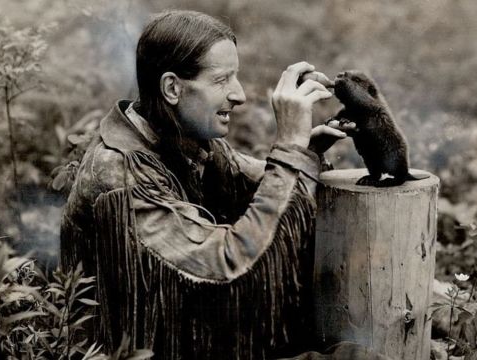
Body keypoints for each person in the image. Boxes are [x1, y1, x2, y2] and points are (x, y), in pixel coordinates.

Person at [61, 9, 385, 360]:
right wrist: (289, 150)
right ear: (172, 87)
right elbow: (227, 267)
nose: (239, 94)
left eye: (236, 77)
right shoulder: (119, 175)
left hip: (198, 335)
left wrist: (304, 152)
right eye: (221, 80)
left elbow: (258, 188)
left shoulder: (185, 140)